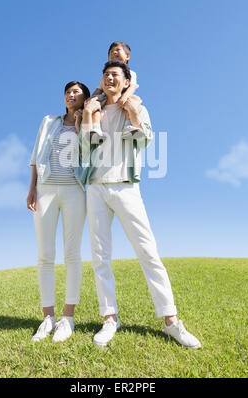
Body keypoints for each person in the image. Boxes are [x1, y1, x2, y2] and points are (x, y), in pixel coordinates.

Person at [80, 61, 201, 349]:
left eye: (116, 75)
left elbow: (145, 138)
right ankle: (110, 318)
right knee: (100, 257)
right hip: (96, 188)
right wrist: (87, 114)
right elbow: (85, 147)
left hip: (126, 187)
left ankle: (171, 321)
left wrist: (131, 109)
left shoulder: (136, 108)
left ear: (125, 81)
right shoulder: (93, 110)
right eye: (106, 75)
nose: (110, 78)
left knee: (148, 252)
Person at [27, 81, 90, 343]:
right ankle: (47, 318)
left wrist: (79, 124)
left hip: (74, 191)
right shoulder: (48, 121)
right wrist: (32, 188)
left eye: (76, 92)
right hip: (46, 190)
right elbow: (35, 155)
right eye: (67, 92)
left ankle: (68, 318)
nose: (70, 95)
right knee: (45, 254)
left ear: (85, 98)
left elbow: (88, 155)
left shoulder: (88, 124)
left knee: (72, 253)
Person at [90, 41, 139, 143]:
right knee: (95, 107)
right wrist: (90, 100)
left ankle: (128, 125)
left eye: (117, 50)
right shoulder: (106, 76)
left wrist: (125, 97)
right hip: (106, 98)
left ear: (127, 56)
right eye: (111, 52)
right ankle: (96, 128)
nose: (113, 53)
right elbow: (98, 90)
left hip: (124, 97)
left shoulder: (131, 73)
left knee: (133, 102)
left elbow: (133, 87)